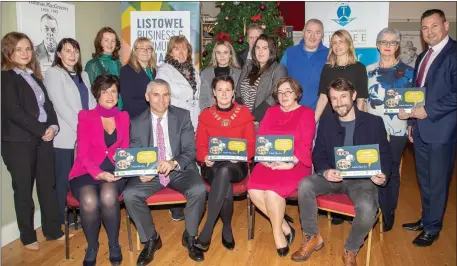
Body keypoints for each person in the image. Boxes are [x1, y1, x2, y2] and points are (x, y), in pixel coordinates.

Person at [291, 78, 392, 266]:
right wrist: (325, 170)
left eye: (343, 96)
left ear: (354, 96)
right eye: (334, 98)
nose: (339, 103)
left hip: (363, 180)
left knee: (368, 207)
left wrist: (383, 174)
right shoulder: (326, 122)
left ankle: (351, 249)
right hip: (333, 177)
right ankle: (312, 237)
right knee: (305, 184)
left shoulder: (374, 122)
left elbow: (385, 155)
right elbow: (318, 154)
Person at [123, 79, 207, 264]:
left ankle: (190, 236)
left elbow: (190, 151)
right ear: (147, 97)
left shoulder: (183, 116)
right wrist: (142, 171)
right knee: (130, 194)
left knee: (199, 189)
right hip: (151, 171)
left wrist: (173, 162)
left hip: (178, 169)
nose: (161, 100)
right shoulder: (136, 122)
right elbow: (136, 153)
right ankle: (151, 239)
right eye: (156, 95)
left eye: (166, 94)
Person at [1, 32, 64, 250]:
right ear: (8, 51)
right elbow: (14, 112)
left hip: (43, 139)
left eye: (28, 48)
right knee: (23, 190)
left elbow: (48, 106)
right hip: (18, 143)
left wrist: (53, 127)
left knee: (48, 186)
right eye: (19, 49)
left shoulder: (35, 76)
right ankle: (28, 237)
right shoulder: (6, 78)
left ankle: (53, 230)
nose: (25, 53)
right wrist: (41, 130)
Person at [399, 9, 456, 247]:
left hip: (441, 131)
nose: (429, 31)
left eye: (434, 26)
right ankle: (426, 218)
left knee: (438, 181)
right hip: (421, 129)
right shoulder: (423, 56)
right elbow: (417, 94)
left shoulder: (454, 54)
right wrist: (410, 120)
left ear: (446, 26)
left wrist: (428, 111)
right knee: (424, 179)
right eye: (424, 28)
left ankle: (433, 228)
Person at [247, 77, 315, 257]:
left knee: (271, 192)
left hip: (295, 163)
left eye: (288, 92)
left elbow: (305, 144)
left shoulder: (307, 113)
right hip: (268, 161)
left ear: (296, 94)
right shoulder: (271, 112)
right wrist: (263, 158)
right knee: (253, 190)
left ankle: (277, 234)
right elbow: (261, 138)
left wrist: (289, 163)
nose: (284, 96)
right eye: (280, 92)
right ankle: (284, 225)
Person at [68, 74, 129, 266]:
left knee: (109, 196)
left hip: (114, 171)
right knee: (89, 200)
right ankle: (92, 246)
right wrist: (98, 173)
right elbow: (83, 154)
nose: (110, 95)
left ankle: (114, 244)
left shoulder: (124, 116)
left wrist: (120, 169)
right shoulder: (85, 116)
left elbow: (125, 149)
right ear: (97, 93)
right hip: (86, 171)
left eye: (113, 91)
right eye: (105, 91)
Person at [194, 76, 255, 251]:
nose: (224, 94)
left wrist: (241, 155)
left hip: (237, 164)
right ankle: (226, 228)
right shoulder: (205, 115)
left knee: (226, 171)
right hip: (212, 165)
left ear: (233, 92)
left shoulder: (244, 113)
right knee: (223, 178)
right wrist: (205, 157)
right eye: (220, 90)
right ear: (214, 92)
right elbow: (200, 145)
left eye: (228, 90)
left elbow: (251, 144)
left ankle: (207, 230)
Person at [44, 38, 97, 227]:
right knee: (63, 180)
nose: (72, 55)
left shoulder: (83, 75)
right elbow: (60, 106)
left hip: (86, 136)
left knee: (81, 178)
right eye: (68, 51)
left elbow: (91, 103)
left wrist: (94, 126)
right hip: (66, 139)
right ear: (59, 54)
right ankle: (61, 219)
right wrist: (84, 129)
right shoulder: (53, 73)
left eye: (75, 50)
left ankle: (78, 216)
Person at [366, 28, 414, 232]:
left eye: (392, 42)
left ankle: (389, 210)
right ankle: (370, 209)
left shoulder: (410, 72)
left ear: (397, 46)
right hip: (371, 130)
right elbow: (362, 101)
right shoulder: (368, 70)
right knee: (370, 169)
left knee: (391, 171)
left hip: (396, 130)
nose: (387, 45)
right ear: (377, 45)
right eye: (383, 41)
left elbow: (415, 102)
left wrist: (410, 117)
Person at [155, 35, 201, 221]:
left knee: (189, 158)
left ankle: (190, 199)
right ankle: (175, 205)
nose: (181, 52)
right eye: (177, 49)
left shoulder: (193, 70)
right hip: (174, 121)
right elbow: (161, 98)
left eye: (184, 49)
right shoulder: (165, 70)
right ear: (170, 51)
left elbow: (196, 97)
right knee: (174, 158)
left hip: (193, 119)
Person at [314, 30, 368, 123]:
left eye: (341, 42)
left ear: (348, 44)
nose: (337, 46)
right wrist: (313, 121)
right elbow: (323, 98)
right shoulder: (327, 68)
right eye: (334, 42)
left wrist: (357, 124)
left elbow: (360, 100)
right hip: (329, 119)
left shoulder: (359, 68)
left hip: (351, 118)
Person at [236, 34, 288, 130]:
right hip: (243, 122)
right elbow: (238, 93)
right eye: (258, 48)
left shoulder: (278, 69)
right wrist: (243, 115)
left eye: (264, 48)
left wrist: (254, 116)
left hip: (264, 123)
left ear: (271, 51)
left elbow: (275, 95)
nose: (260, 51)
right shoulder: (248, 67)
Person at [280, 19, 329, 109]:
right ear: (303, 32)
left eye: (317, 33)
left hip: (319, 114)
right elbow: (280, 81)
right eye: (309, 32)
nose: (312, 36)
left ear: (322, 35)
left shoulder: (329, 55)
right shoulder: (290, 52)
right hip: (291, 111)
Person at [84, 27, 123, 110]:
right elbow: (90, 93)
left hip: (120, 108)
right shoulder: (92, 64)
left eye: (113, 41)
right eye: (106, 40)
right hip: (101, 112)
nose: (110, 44)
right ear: (99, 42)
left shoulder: (118, 63)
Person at [120, 37, 157, 118]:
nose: (145, 51)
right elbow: (128, 100)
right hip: (136, 117)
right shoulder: (126, 71)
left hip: (153, 116)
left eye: (148, 48)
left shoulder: (154, 70)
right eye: (141, 48)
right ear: (135, 52)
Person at [199, 40, 241, 109]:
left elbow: (241, 98)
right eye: (218, 53)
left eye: (225, 52)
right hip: (211, 114)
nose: (222, 56)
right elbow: (203, 98)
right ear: (215, 55)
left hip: (233, 114)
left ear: (230, 55)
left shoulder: (239, 74)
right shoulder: (205, 73)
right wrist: (207, 114)